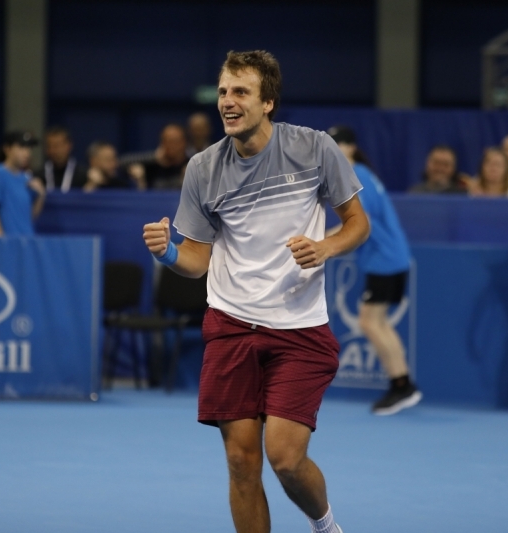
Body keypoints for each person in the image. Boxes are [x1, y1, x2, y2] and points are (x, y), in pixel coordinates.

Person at [142, 50, 369, 533]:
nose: (228, 101)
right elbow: (198, 260)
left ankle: (326, 526)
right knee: (241, 463)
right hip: (231, 324)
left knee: (285, 459)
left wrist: (325, 248)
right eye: (224, 91)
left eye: (240, 92)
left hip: (299, 329)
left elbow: (357, 223)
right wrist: (167, 253)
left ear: (268, 102)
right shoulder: (202, 168)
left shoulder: (315, 148)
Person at [327, 125, 422, 415]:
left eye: (337, 145)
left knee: (370, 322)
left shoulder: (355, 176)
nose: (331, 151)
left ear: (350, 148)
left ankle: (402, 385)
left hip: (385, 259)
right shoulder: (359, 174)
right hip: (392, 257)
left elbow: (359, 223)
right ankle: (403, 384)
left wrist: (320, 243)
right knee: (378, 323)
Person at [0, 131, 46, 236]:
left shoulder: (27, 178)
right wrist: (0, 239)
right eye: (21, 147)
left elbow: (29, 216)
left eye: (29, 148)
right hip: (8, 241)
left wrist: (41, 196)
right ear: (7, 149)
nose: (27, 153)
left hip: (27, 240)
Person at [128, 123, 190, 190]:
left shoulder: (190, 166)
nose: (171, 145)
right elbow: (123, 162)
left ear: (184, 142)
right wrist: (153, 158)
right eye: (166, 141)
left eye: (175, 141)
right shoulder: (152, 165)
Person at [40, 127, 89, 192]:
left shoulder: (84, 175)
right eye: (49, 146)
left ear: (68, 146)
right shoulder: (39, 176)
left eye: (56, 146)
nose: (53, 151)